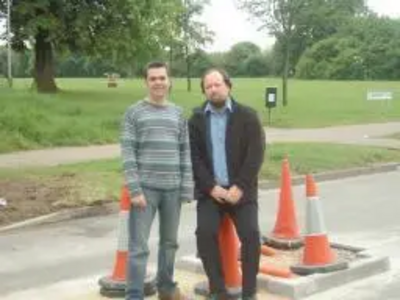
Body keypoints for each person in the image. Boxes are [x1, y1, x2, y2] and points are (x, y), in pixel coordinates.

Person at [188, 68, 265, 300]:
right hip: (211, 192)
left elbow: (256, 154)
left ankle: (249, 292)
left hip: (241, 192)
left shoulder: (248, 116)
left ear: (228, 86)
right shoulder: (196, 120)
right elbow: (195, 158)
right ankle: (218, 291)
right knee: (204, 233)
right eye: (208, 86)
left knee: (251, 235)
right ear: (204, 91)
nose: (213, 89)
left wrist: (239, 186)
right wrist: (211, 187)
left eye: (217, 84)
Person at [120, 61, 193, 300]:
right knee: (139, 248)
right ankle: (134, 295)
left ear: (169, 81)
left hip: (173, 190)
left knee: (170, 244)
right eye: (153, 79)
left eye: (162, 78)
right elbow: (128, 152)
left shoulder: (178, 113)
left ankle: (166, 288)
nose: (158, 83)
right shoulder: (134, 113)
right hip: (145, 191)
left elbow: (185, 151)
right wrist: (134, 189)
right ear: (146, 82)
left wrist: (186, 187)